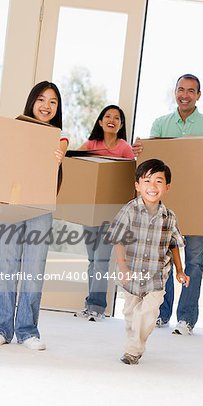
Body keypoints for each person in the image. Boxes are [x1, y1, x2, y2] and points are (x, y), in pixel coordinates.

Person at [133, 73, 203, 335]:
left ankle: (186, 318)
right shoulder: (161, 124)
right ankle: (162, 313)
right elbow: (151, 167)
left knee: (194, 262)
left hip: (198, 208)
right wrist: (139, 152)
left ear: (199, 95)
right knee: (164, 260)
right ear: (175, 92)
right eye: (180, 89)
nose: (184, 94)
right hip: (166, 209)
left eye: (190, 90)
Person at [0, 81, 68, 350]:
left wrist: (58, 156)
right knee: (8, 266)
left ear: (58, 108)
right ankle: (2, 328)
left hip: (41, 208)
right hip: (13, 205)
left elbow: (59, 155)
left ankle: (28, 331)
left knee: (34, 270)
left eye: (53, 101)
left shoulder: (59, 138)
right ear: (32, 102)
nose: (46, 105)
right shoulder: (15, 130)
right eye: (42, 99)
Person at [105, 159, 189, 365]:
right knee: (131, 315)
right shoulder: (129, 210)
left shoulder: (169, 217)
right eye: (147, 181)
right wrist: (123, 267)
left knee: (149, 313)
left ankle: (133, 350)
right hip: (131, 274)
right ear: (137, 185)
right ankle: (134, 340)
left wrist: (180, 271)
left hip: (156, 276)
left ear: (167, 187)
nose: (152, 187)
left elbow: (174, 245)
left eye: (158, 182)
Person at [74, 104, 134, 322]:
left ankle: (97, 307)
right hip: (90, 210)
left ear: (121, 124)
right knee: (92, 259)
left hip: (113, 214)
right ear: (100, 122)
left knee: (101, 259)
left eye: (116, 117)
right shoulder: (91, 144)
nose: (111, 119)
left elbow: (130, 180)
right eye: (107, 116)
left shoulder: (124, 148)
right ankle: (91, 302)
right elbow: (73, 164)